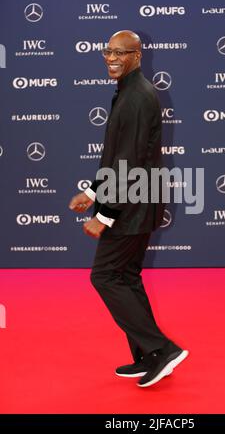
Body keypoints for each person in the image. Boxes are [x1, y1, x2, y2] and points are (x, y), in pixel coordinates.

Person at [69, 30, 188, 388]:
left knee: (104, 276)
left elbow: (130, 163)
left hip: (131, 207)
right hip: (135, 203)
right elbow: (118, 156)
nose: (111, 57)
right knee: (126, 277)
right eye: (108, 51)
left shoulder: (137, 97)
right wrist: (92, 192)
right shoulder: (129, 90)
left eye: (121, 52)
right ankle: (149, 356)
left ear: (138, 55)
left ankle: (162, 349)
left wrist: (104, 216)